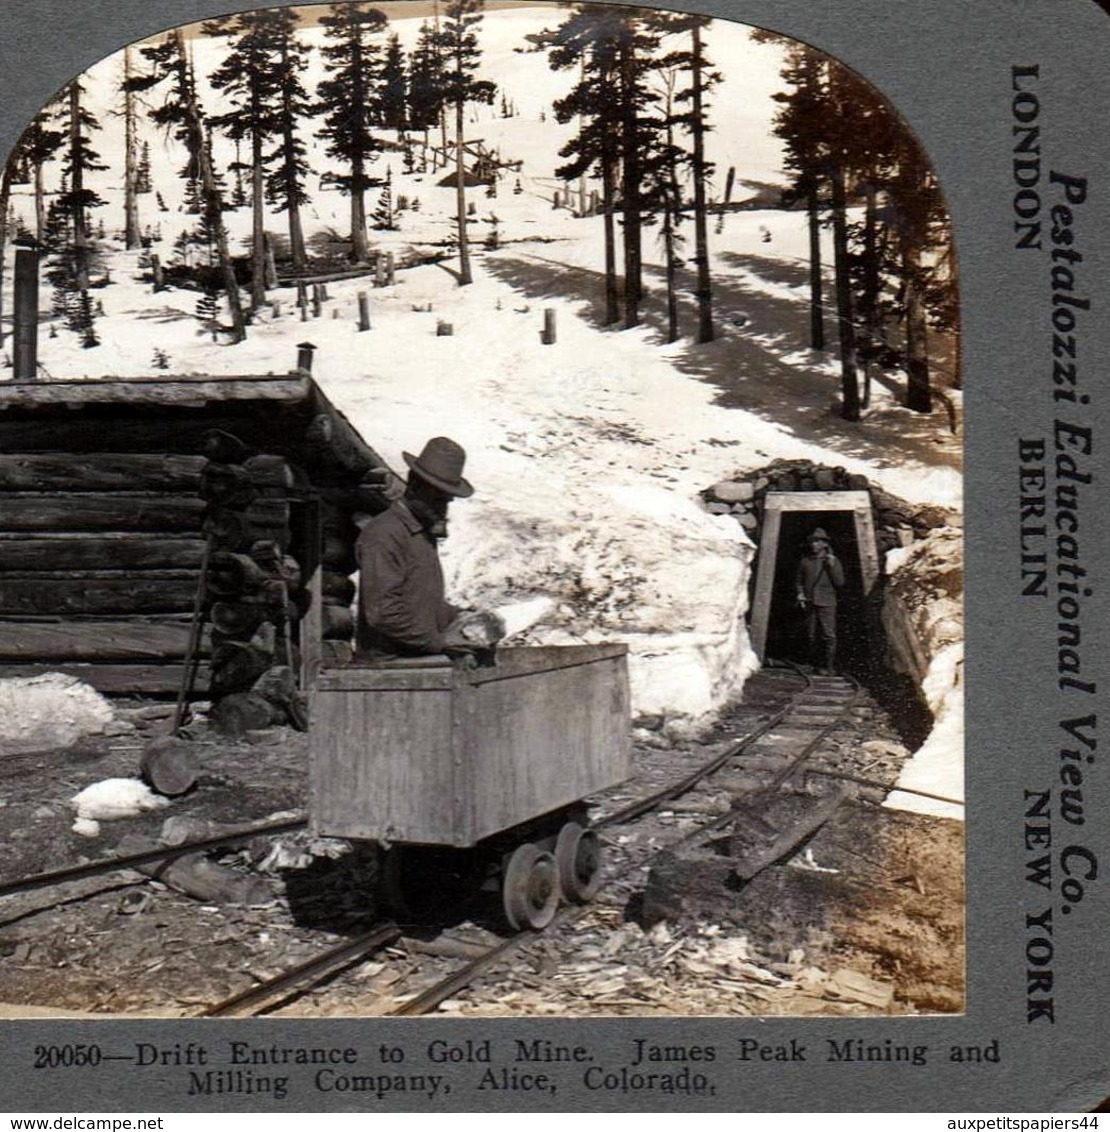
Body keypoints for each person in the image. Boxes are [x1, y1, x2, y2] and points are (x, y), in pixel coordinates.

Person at [355, 436, 483, 662]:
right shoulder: (384, 534)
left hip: (415, 662)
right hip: (387, 669)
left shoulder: (421, 535)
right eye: (437, 497)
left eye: (447, 500)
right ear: (414, 486)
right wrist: (438, 642)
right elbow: (383, 613)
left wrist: (458, 616)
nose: (443, 507)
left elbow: (420, 604)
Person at [795, 527, 845, 674]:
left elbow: (840, 582)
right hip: (810, 601)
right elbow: (798, 581)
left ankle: (829, 666)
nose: (813, 545)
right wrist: (800, 594)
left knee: (829, 635)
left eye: (817, 542)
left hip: (827, 601)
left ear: (824, 544)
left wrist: (832, 566)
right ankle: (815, 665)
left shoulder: (833, 561)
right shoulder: (805, 561)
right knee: (811, 635)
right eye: (812, 542)